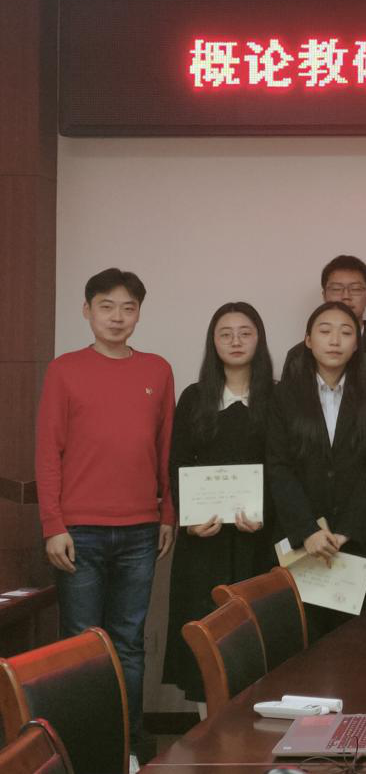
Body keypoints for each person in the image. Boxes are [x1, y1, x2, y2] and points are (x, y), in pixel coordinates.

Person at [35, 268, 175, 761]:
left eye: (128, 308)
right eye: (106, 306)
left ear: (139, 313)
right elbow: (47, 452)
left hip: (140, 529)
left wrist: (168, 513)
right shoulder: (64, 370)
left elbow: (166, 449)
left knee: (129, 644)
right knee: (79, 647)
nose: (117, 317)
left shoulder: (157, 370)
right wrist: (53, 525)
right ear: (87, 310)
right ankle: (77, 751)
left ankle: (127, 748)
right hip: (78, 532)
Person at [163, 302, 274, 705]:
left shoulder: (278, 397)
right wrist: (189, 520)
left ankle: (254, 735)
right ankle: (208, 733)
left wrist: (265, 514)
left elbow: (286, 467)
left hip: (257, 541)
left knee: (257, 639)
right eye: (225, 334)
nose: (235, 341)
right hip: (204, 543)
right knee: (205, 640)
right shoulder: (195, 397)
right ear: (213, 342)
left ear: (259, 339)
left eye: (245, 332)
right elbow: (177, 463)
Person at [268, 301, 366, 639]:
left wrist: (346, 530)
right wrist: (308, 530)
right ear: (308, 340)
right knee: (300, 642)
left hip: (358, 543)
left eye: (346, 332)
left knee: (357, 644)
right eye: (325, 331)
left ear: (357, 343)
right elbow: (278, 466)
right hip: (300, 544)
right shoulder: (284, 395)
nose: (335, 340)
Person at [282, 255, 366, 394]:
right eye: (336, 289)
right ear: (324, 295)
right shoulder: (298, 356)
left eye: (355, 289)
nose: (345, 296)